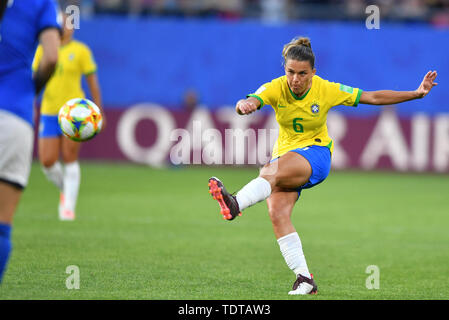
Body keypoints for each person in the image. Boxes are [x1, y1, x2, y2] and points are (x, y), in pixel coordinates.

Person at [208, 36, 438, 295]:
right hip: (284, 157)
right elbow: (250, 102)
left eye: (302, 73)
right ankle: (304, 278)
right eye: (291, 72)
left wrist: (416, 94)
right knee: (277, 214)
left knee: (268, 172)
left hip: (315, 155)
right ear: (285, 70)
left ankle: (236, 203)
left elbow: (371, 97)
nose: (295, 79)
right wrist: (244, 105)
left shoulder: (325, 89)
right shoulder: (276, 87)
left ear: (313, 72)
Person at [0, 0, 60, 283]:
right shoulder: (41, 3)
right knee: (1, 226)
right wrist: (29, 92)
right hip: (14, 115)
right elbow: (50, 57)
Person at [32, 12, 104, 221]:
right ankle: (67, 189)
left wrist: (98, 111)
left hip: (76, 114)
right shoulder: (42, 50)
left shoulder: (80, 51)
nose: (68, 28)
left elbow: (93, 83)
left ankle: (68, 209)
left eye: (71, 24)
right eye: (64, 24)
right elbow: (35, 79)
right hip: (49, 110)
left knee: (70, 156)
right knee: (47, 161)